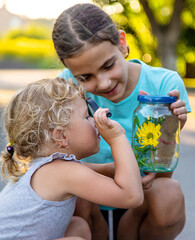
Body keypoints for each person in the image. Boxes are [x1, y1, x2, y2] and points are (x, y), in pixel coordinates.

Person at [52, 3, 191, 240]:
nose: (104, 83)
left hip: (141, 198)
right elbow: (54, 164)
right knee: (73, 197)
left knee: (169, 194)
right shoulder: (64, 88)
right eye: (85, 77)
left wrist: (171, 129)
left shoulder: (164, 84)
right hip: (88, 199)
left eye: (108, 65)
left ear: (122, 43)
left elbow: (160, 175)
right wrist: (114, 172)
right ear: (69, 71)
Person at [0, 78, 144, 240]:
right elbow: (132, 197)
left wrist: (123, 171)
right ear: (61, 136)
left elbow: (95, 170)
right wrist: (117, 138)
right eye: (87, 116)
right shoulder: (62, 172)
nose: (94, 120)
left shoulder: (50, 167)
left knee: (78, 226)